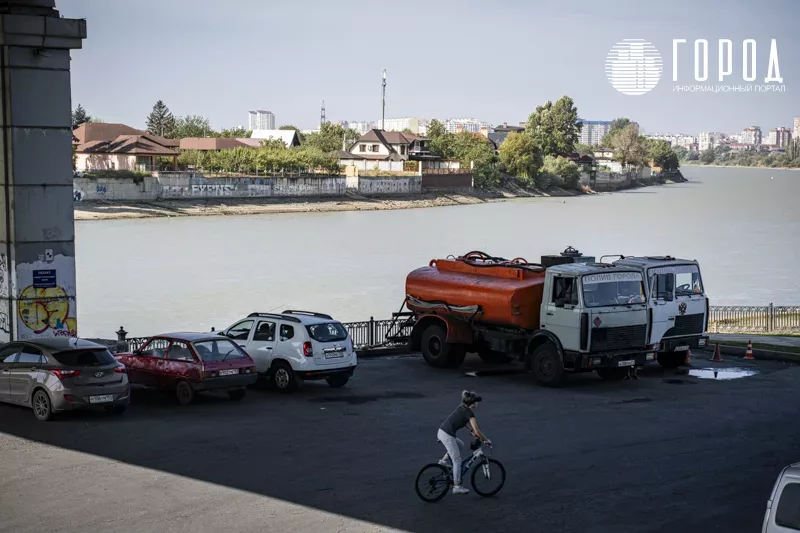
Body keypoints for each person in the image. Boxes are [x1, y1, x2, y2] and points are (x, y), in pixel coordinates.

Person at [437, 390, 491, 495]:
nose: (477, 403)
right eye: (476, 401)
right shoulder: (469, 413)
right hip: (447, 435)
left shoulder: (462, 407)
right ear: (472, 403)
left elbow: (461, 421)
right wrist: (485, 440)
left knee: (460, 444)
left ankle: (443, 462)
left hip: (442, 432)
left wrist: (470, 431)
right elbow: (477, 430)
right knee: (457, 461)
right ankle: (457, 486)